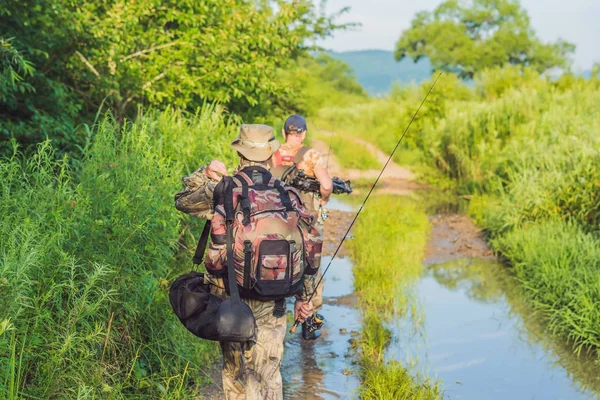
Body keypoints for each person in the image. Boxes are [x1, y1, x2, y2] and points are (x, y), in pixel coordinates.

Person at [174, 124, 320, 400]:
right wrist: (305, 298)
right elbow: (309, 247)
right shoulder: (288, 195)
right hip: (275, 301)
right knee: (269, 374)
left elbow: (182, 201)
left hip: (231, 301)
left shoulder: (224, 191)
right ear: (270, 155)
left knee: (238, 375)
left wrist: (203, 174)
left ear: (240, 154)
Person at [271, 115, 332, 340]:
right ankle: (308, 321)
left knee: (276, 264)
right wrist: (323, 199)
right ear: (304, 133)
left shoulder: (272, 154)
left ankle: (276, 311)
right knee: (310, 269)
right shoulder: (311, 155)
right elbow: (326, 185)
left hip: (275, 222)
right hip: (305, 224)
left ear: (284, 131)